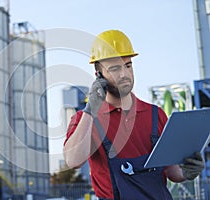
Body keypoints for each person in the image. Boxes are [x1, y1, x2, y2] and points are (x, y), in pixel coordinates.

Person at [63, 29, 205, 199]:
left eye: (128, 65)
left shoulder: (155, 114)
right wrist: (90, 111)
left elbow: (171, 171)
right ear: (99, 76)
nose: (124, 74)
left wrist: (187, 172)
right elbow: (73, 161)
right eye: (115, 69)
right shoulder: (84, 121)